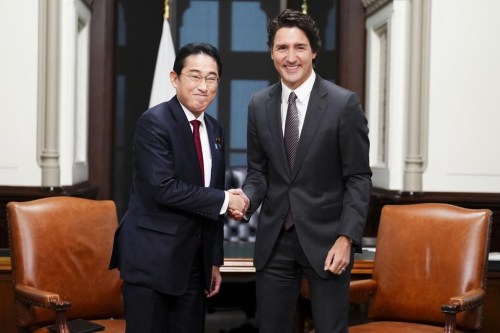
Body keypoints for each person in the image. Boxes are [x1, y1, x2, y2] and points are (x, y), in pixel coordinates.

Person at [229, 9, 372, 333]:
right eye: (282, 48)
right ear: (272, 53)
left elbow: (358, 178)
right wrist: (248, 200)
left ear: (314, 52)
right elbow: (258, 174)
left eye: (299, 47)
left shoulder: (343, 104)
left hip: (327, 242)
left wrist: (346, 238)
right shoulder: (258, 104)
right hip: (275, 241)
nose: (290, 57)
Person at [109, 42, 247, 333]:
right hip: (151, 259)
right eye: (194, 76)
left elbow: (210, 195)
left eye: (211, 78)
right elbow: (164, 188)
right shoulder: (153, 123)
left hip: (194, 265)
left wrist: (214, 261)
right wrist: (225, 200)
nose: (203, 86)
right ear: (175, 79)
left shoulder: (215, 129)